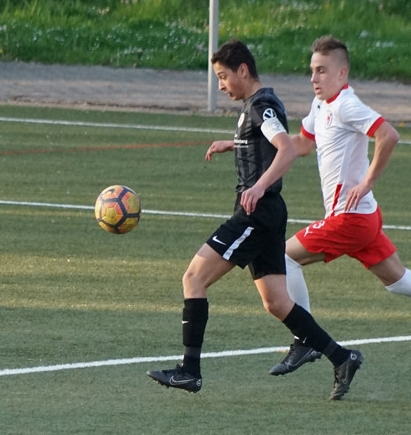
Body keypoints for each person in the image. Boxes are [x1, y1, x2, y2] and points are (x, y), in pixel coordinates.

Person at [268, 35, 411, 376]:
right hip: (363, 218)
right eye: (312, 70)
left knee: (284, 257)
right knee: (401, 281)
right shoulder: (321, 105)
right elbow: (303, 143)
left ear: (342, 73)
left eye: (322, 71)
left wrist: (367, 182)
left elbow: (388, 134)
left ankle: (305, 339)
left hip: (349, 219)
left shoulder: (346, 104)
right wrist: (246, 143)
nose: (313, 78)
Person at [148, 39, 364, 401]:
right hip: (269, 212)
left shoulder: (260, 105)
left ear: (243, 70)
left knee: (193, 278)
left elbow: (286, 149)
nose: (221, 85)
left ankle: (189, 371)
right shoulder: (258, 105)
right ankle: (342, 358)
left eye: (223, 76)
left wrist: (259, 186)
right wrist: (234, 143)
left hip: (256, 213)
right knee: (277, 302)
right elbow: (267, 142)